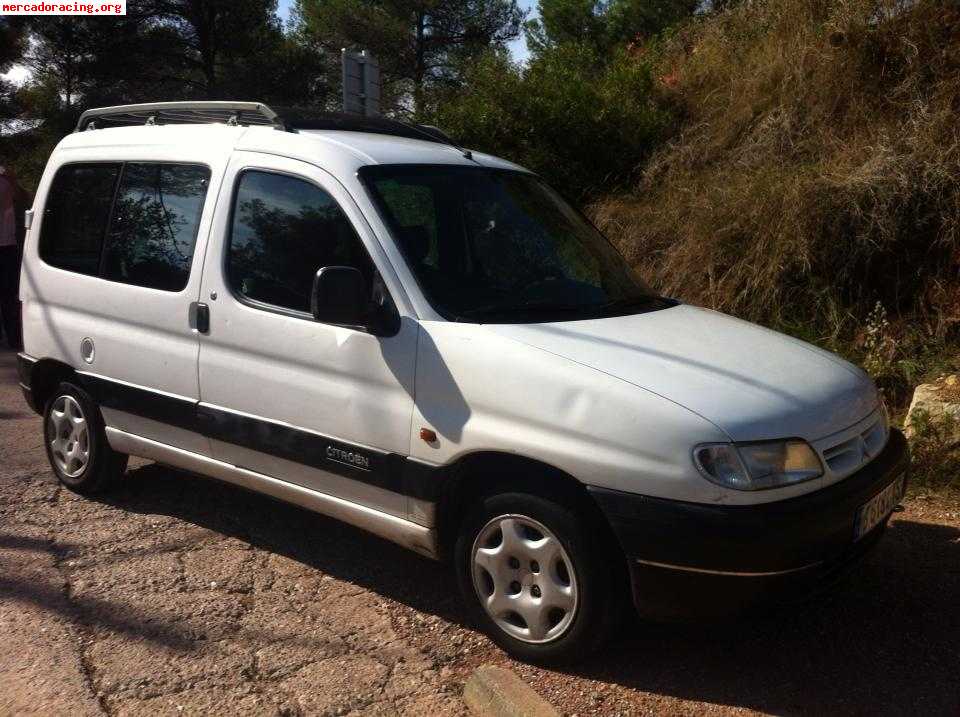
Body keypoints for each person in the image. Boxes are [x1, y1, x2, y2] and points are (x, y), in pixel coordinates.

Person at [0, 165, 28, 351]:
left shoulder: (6, 180)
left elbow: (23, 200)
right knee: (9, 296)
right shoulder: (6, 181)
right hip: (8, 247)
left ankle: (14, 337)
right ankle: (13, 338)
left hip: (8, 246)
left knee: (9, 296)